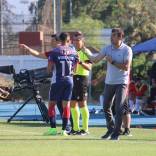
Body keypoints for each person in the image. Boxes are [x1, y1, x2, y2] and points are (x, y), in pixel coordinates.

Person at [20, 32, 78, 136]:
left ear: (59, 40)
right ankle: (65, 130)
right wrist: (28, 49)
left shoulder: (54, 52)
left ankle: (53, 129)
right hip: (69, 81)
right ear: (68, 40)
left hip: (58, 81)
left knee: (52, 104)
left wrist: (49, 72)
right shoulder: (73, 51)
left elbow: (48, 69)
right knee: (66, 106)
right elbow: (75, 69)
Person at [84, 28, 133, 140]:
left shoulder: (127, 50)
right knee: (106, 106)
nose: (111, 38)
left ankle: (116, 133)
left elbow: (126, 67)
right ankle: (111, 128)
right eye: (111, 36)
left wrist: (113, 62)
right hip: (109, 82)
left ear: (120, 37)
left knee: (119, 108)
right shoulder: (107, 48)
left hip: (122, 83)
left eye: (114, 36)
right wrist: (84, 50)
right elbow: (95, 60)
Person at [70, 32, 92, 135]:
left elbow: (89, 67)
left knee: (82, 103)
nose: (76, 42)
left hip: (82, 79)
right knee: (72, 104)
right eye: (74, 40)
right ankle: (75, 128)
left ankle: (85, 129)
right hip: (73, 78)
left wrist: (80, 62)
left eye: (78, 40)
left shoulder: (85, 51)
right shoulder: (74, 51)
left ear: (83, 41)